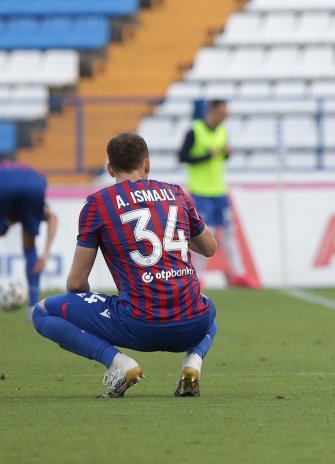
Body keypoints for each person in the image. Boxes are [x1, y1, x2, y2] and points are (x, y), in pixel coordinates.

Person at [32, 132, 218, 398]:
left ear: (110, 169)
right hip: (193, 325)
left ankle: (119, 364)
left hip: (138, 324)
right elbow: (209, 248)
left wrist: (90, 316)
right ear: (147, 164)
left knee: (41, 313)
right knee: (207, 307)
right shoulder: (176, 193)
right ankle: (193, 363)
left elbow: (75, 283)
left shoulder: (98, 203)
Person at [178, 99, 250, 287]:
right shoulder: (195, 130)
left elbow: (220, 157)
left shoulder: (223, 132)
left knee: (229, 231)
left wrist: (226, 153)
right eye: (222, 113)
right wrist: (204, 156)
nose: (225, 118)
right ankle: (198, 276)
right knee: (203, 234)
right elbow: (182, 156)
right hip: (200, 191)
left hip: (219, 190)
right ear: (212, 111)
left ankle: (238, 273)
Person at [0, 162, 58, 315]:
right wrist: (45, 254)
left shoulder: (5, 175)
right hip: (35, 184)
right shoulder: (25, 175)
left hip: (3, 186)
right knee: (29, 245)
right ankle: (32, 307)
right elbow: (52, 217)